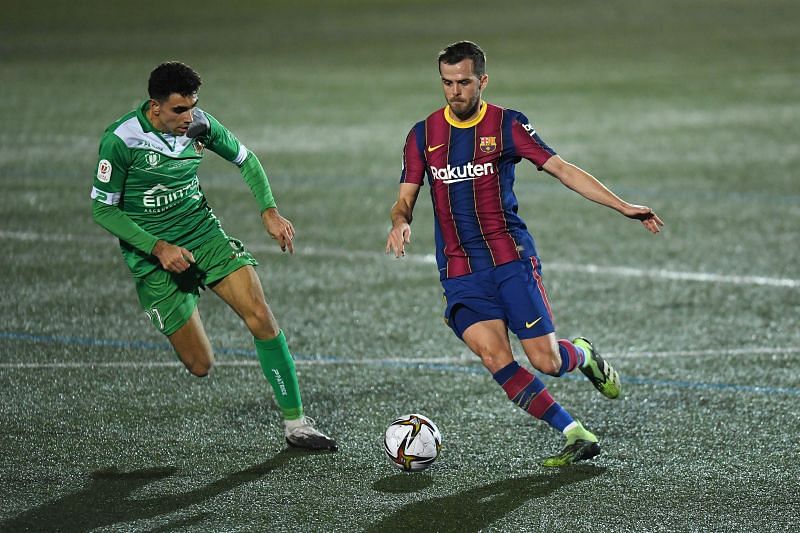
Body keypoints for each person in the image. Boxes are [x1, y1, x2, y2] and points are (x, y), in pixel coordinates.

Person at [385, 41, 663, 466]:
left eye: (463, 82)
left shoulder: (507, 125)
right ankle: (574, 432)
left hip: (510, 261)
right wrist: (400, 220)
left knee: (547, 362)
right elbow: (404, 198)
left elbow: (563, 169)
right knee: (495, 356)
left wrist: (622, 205)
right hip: (460, 271)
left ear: (482, 81)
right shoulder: (423, 135)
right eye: (447, 82)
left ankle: (584, 354)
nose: (455, 91)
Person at [91, 61, 337, 451]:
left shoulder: (199, 126)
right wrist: (158, 247)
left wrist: (269, 210)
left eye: (192, 106)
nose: (188, 117)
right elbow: (103, 209)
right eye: (178, 110)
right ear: (154, 107)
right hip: (155, 256)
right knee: (200, 365)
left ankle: (296, 424)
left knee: (261, 315)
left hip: (203, 235)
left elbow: (246, 159)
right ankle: (183, 297)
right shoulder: (121, 141)